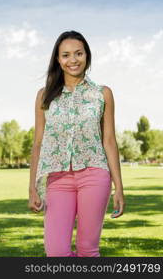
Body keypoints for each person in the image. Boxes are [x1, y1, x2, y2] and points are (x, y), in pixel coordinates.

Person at [28, 30, 125, 257]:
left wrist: (119, 187)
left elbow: (109, 140)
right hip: (57, 178)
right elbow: (38, 143)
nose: (73, 60)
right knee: (56, 252)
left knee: (88, 251)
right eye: (66, 55)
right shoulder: (45, 96)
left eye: (78, 53)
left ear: (87, 56)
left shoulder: (102, 94)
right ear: (58, 60)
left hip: (95, 174)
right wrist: (32, 186)